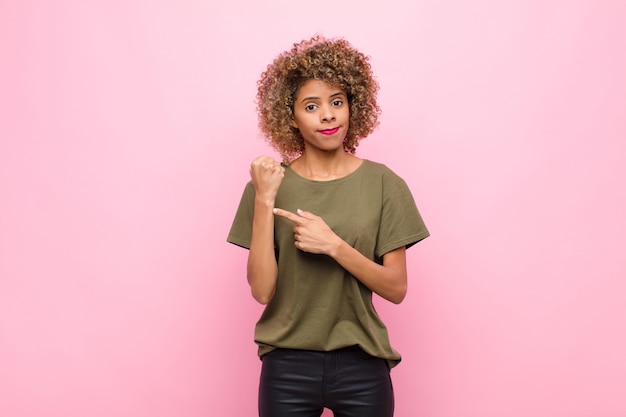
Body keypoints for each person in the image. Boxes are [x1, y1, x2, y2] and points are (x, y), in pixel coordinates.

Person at [227, 35, 429, 417]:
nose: (328, 115)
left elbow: (396, 288)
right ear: (290, 116)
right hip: (287, 366)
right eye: (311, 106)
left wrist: (333, 245)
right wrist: (265, 199)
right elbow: (262, 291)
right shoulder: (267, 186)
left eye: (337, 102)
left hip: (362, 364)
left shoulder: (385, 184)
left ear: (353, 105)